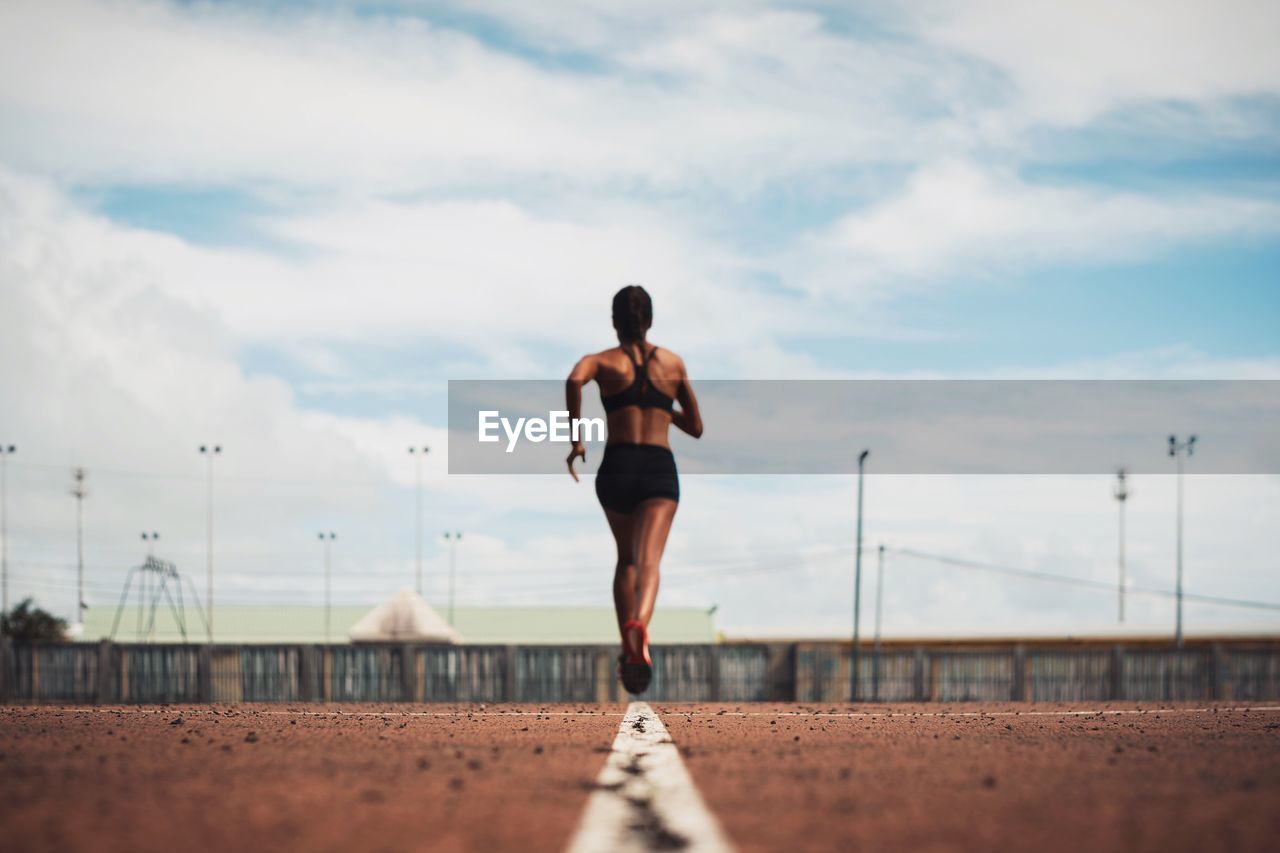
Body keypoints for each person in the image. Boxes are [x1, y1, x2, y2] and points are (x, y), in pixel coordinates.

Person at [565, 285, 703, 694]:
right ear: (651, 321)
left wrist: (576, 440)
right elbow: (695, 427)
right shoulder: (672, 363)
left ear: (614, 322)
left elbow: (574, 380)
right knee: (649, 561)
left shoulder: (603, 362)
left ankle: (628, 647)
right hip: (658, 468)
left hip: (618, 466)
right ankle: (640, 623)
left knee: (625, 559)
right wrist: (662, 405)